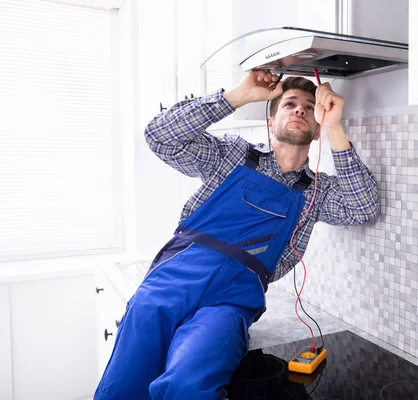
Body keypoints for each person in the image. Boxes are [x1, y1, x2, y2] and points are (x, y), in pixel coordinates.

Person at [94, 70, 380, 400]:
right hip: (173, 281)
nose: (300, 110)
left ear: (316, 131)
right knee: (124, 384)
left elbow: (364, 208)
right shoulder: (231, 156)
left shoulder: (318, 192)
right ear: (270, 123)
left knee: (190, 385)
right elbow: (159, 136)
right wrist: (239, 95)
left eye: (308, 108)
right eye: (289, 104)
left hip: (231, 302)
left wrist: (334, 126)